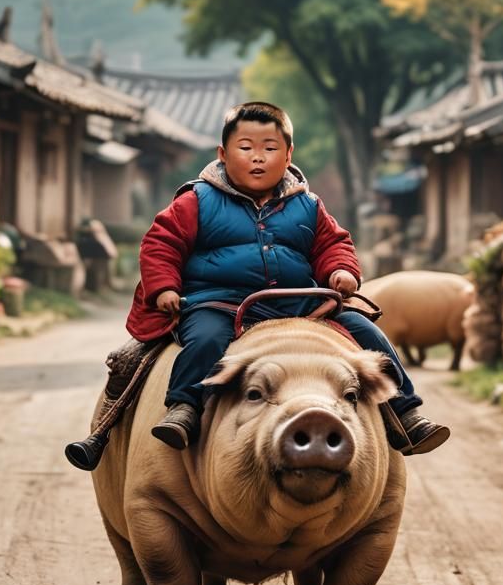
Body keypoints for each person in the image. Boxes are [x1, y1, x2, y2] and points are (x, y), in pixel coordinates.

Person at [126, 101, 450, 454]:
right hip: (220, 302)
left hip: (298, 302)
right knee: (204, 339)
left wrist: (341, 271)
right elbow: (161, 243)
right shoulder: (196, 201)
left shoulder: (307, 204)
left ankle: (406, 411)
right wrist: (164, 288)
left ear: (288, 154)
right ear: (223, 153)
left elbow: (332, 243)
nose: (258, 158)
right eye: (245, 148)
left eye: (270, 148)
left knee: (365, 331)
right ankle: (184, 407)